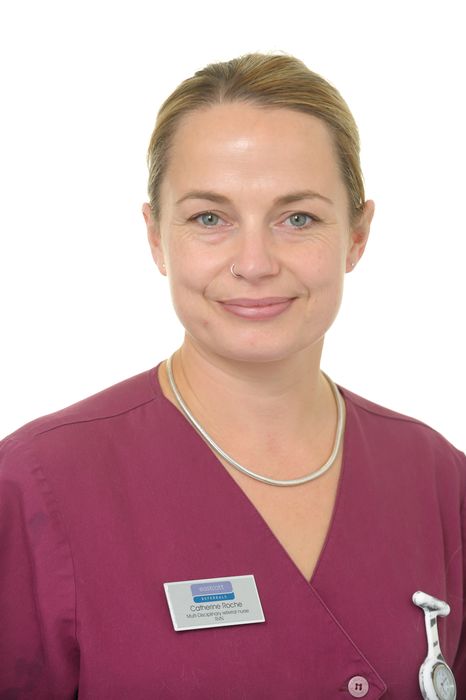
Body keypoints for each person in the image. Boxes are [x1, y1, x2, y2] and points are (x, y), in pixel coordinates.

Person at [0, 52, 464, 700]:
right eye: (209, 218)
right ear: (156, 237)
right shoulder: (36, 486)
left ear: (357, 236)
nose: (254, 262)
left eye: (298, 218)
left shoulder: (439, 481)